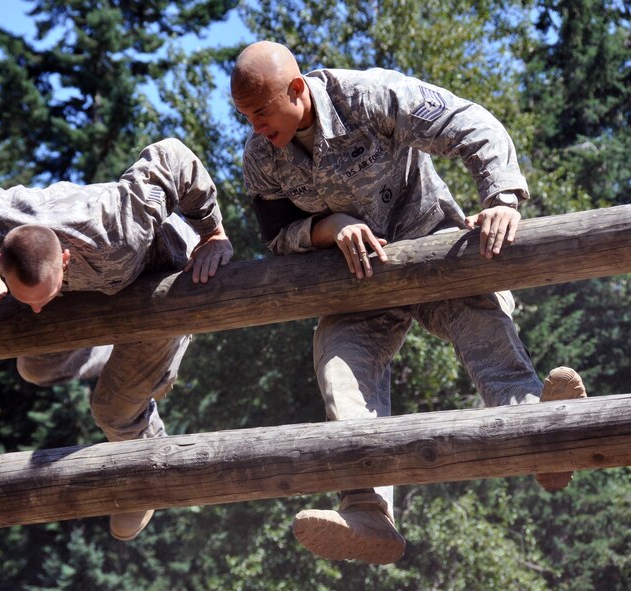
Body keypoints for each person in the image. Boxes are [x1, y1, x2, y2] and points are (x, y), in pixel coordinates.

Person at [231, 41, 587, 565]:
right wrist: (330, 228)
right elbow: (276, 236)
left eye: (262, 110)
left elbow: (470, 122)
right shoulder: (262, 157)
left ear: (298, 89)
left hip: (431, 247)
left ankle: (543, 434)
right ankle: (367, 512)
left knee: (480, 326)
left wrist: (501, 199)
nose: (256, 126)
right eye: (245, 115)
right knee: (338, 366)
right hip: (358, 279)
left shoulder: (368, 97)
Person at [0, 138, 234, 541]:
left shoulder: (118, 230)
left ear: (64, 259)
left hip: (160, 280)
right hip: (88, 287)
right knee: (35, 365)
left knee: (113, 408)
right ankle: (123, 358)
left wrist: (212, 233)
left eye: (41, 298)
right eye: (24, 298)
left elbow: (173, 156)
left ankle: (146, 472)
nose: (34, 310)